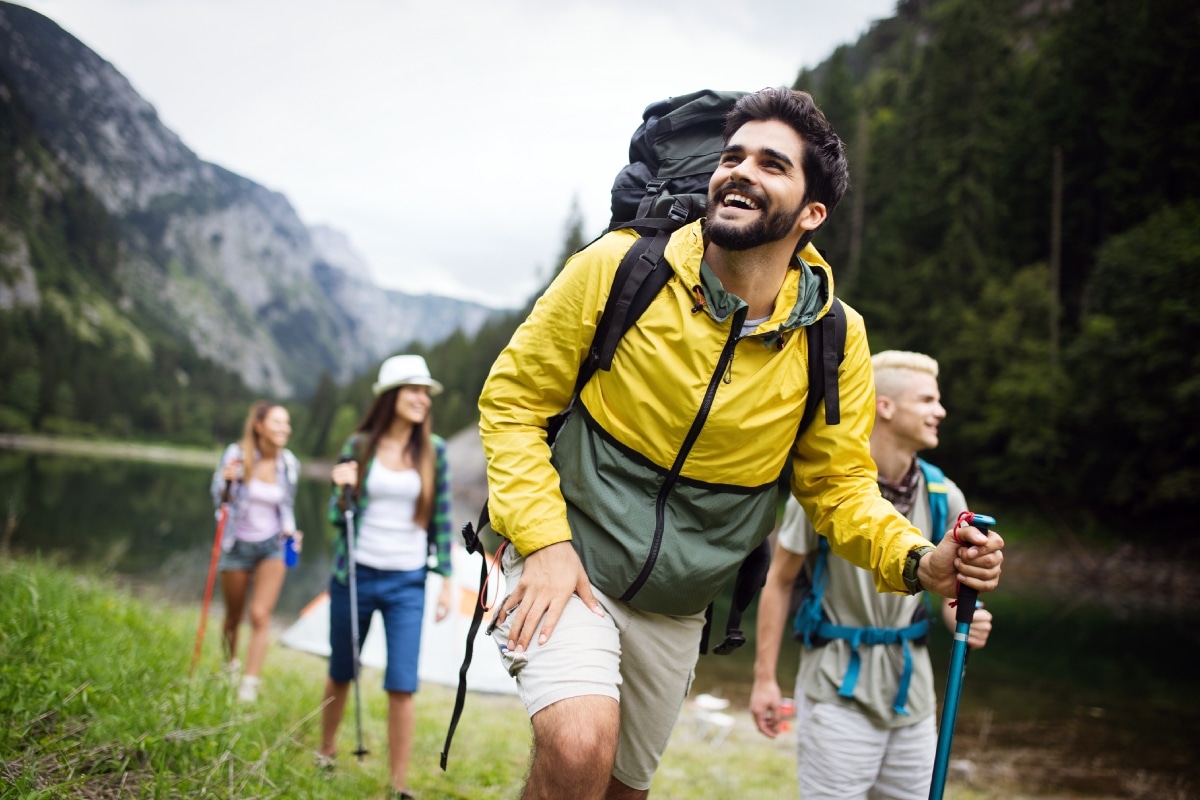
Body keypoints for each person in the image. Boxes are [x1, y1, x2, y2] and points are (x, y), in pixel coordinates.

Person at [477, 87, 1005, 800]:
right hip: (569, 558)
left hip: (677, 605)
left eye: (771, 164)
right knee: (577, 748)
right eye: (732, 156)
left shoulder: (834, 336)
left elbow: (839, 488)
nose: (740, 172)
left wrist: (920, 560)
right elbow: (513, 402)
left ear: (812, 213)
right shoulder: (620, 266)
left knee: (621, 790)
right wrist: (543, 542)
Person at [750, 350, 995, 800]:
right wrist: (765, 678)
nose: (940, 411)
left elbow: (950, 596)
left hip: (913, 697)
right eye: (927, 400)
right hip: (836, 689)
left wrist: (964, 616)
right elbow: (779, 580)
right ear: (886, 406)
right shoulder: (827, 491)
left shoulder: (944, 495)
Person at [316, 354, 454, 800]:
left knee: (402, 682)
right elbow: (337, 517)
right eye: (414, 389)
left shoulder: (435, 451)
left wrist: (446, 580)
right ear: (391, 396)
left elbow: (443, 519)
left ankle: (398, 785)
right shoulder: (359, 446)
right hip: (354, 576)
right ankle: (326, 749)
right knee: (342, 669)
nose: (422, 398)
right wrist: (339, 490)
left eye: (426, 392)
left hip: (407, 583)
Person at [210, 400, 302, 704]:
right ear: (259, 426)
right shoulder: (236, 455)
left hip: (272, 546)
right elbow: (219, 498)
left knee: (260, 615)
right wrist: (227, 481)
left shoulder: (289, 463)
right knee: (233, 616)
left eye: (286, 423)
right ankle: (229, 667)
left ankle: (249, 684)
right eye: (277, 422)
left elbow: (287, 505)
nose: (285, 428)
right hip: (236, 544)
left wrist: (291, 531)